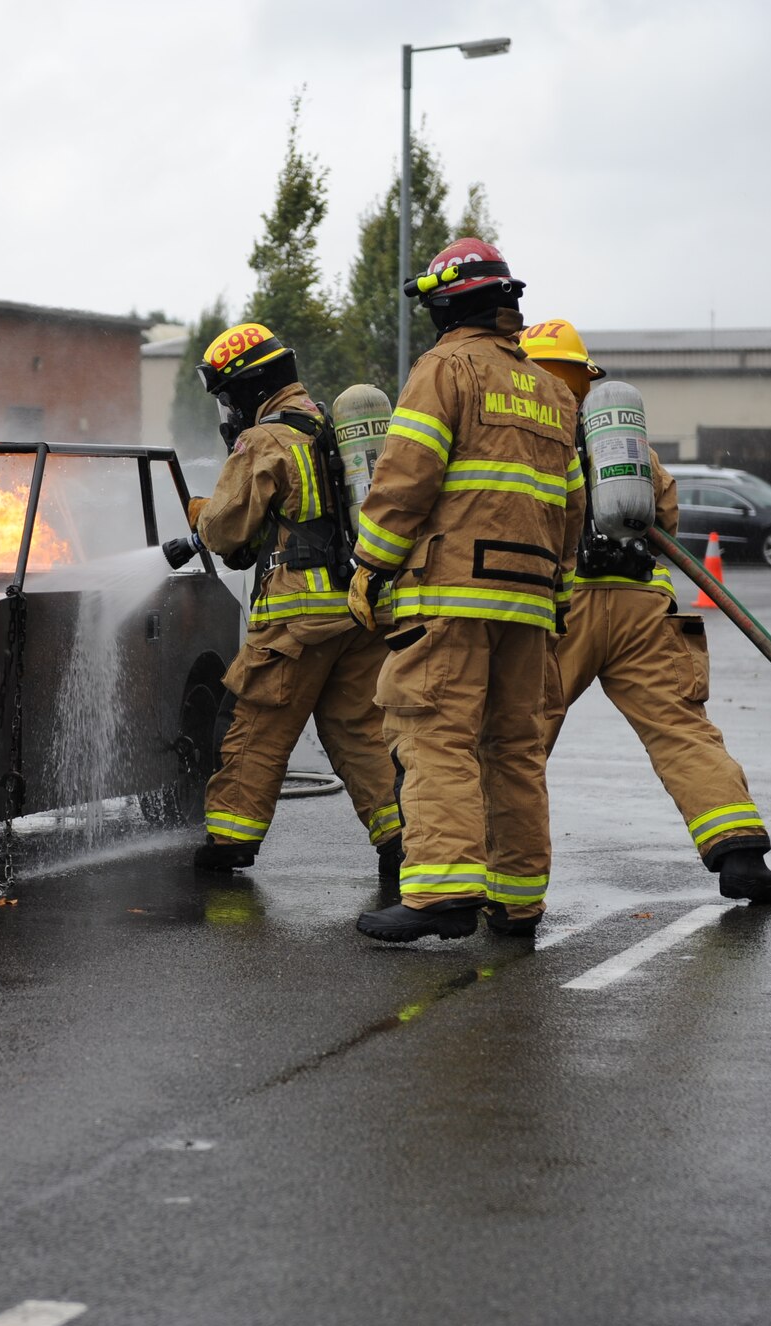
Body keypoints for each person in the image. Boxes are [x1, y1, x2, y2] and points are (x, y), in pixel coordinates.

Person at [348, 239, 584, 943]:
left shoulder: (446, 367)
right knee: (514, 744)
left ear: (449, 303)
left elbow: (405, 477)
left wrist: (370, 565)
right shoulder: (550, 389)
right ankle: (516, 901)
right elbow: (572, 506)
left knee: (435, 733)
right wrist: (558, 590)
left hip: (451, 590)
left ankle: (444, 890)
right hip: (530, 597)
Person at [519, 318, 771, 918]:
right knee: (679, 727)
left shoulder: (523, 432)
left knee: (522, 733)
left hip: (564, 603)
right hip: (643, 602)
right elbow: (663, 512)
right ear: (583, 379)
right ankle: (741, 854)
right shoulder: (621, 440)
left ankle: (485, 870)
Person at [186, 321, 403, 880]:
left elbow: (227, 531)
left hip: (296, 620)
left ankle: (230, 840)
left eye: (229, 395)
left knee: (255, 723)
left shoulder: (265, 440)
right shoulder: (329, 426)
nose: (228, 409)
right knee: (358, 731)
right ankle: (400, 842)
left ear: (251, 388)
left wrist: (198, 513)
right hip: (356, 611)